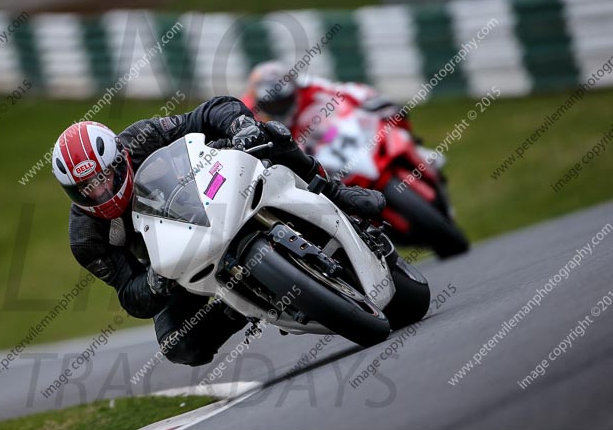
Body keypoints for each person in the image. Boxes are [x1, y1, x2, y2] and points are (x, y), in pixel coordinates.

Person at [50, 96, 385, 367]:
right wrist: (153, 283)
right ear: (72, 194)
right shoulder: (87, 239)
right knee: (178, 346)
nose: (101, 192)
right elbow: (129, 293)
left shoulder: (142, 138)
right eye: (87, 189)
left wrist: (239, 126)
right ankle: (235, 307)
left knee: (271, 133)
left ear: (121, 159)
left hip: (216, 195)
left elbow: (208, 111)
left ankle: (334, 192)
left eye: (104, 178)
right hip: (179, 265)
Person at [241, 61, 444, 171]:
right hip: (297, 152)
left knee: (392, 114)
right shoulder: (248, 113)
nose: (279, 107)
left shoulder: (308, 86)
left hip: (325, 132)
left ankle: (414, 148)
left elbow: (343, 91)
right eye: (272, 103)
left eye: (284, 100)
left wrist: (373, 101)